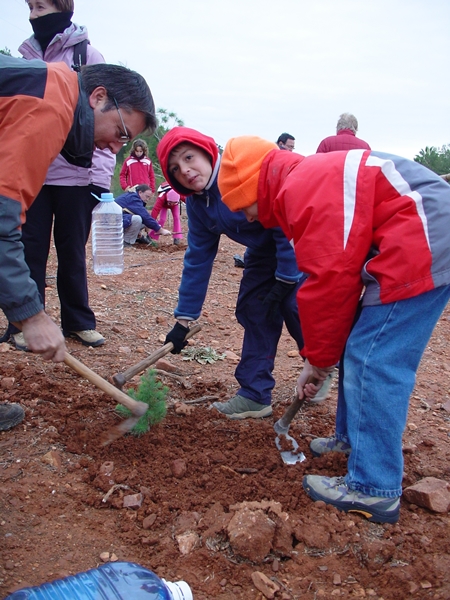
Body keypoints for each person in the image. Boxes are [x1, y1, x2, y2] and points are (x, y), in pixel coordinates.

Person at [218, 135, 450, 524]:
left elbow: (330, 280)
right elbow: (336, 279)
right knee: (361, 345)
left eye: (244, 206)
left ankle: (373, 487)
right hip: (415, 234)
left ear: (256, 186)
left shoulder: (302, 189)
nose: (249, 218)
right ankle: (349, 440)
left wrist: (317, 360)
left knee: (374, 359)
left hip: (422, 236)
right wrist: (323, 355)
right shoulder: (304, 180)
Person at [0, 54, 156, 430]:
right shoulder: (51, 102)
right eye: (121, 133)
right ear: (97, 97)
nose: (115, 147)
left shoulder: (50, 89)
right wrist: (32, 316)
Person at [156, 126, 307, 420]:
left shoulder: (238, 172)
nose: (185, 170)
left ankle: (319, 362)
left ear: (208, 151)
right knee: (255, 309)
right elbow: (198, 258)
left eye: (189, 158)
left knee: (295, 304)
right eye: (175, 168)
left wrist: (288, 277)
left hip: (296, 243)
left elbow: (281, 217)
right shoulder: (198, 204)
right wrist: (184, 320)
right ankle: (254, 394)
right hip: (263, 254)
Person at [2, 0, 117, 352]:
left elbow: (105, 126)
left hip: (75, 178)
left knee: (72, 252)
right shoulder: (26, 54)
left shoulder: (88, 56)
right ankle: (24, 320)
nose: (35, 12)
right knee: (28, 246)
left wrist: (99, 181)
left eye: (43, 4)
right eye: (31, 6)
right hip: (28, 172)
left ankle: (78, 321)